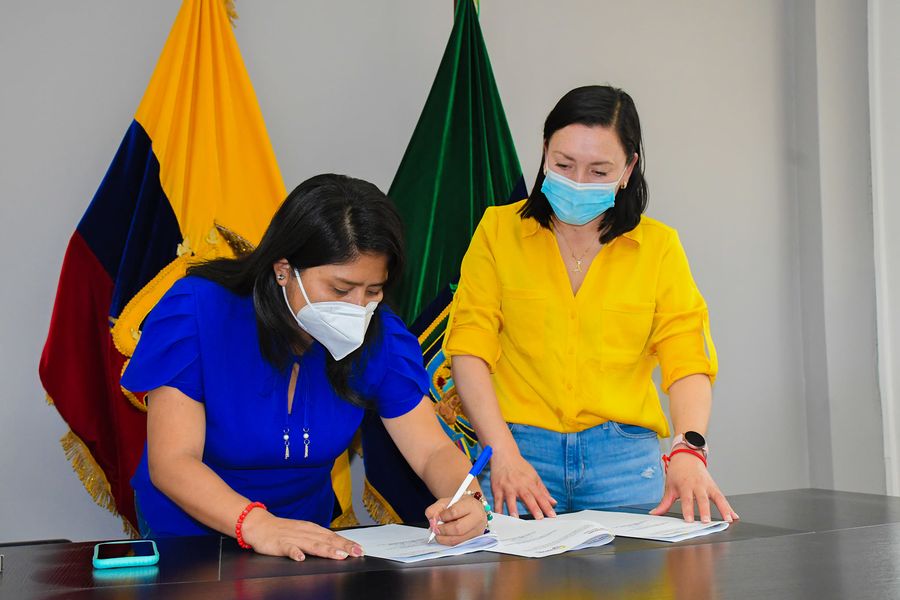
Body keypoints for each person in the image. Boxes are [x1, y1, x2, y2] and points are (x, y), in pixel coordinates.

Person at [122, 174, 490, 561]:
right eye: (340, 289)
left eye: (373, 291)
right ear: (284, 269)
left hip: (305, 543)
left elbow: (432, 450)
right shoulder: (201, 311)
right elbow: (173, 461)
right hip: (191, 538)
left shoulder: (381, 337)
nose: (357, 308)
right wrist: (258, 525)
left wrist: (466, 499)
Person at [443, 85, 739, 525]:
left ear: (628, 169)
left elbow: (687, 360)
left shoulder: (658, 248)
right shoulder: (497, 232)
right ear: (544, 152)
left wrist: (688, 448)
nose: (578, 183)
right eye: (563, 165)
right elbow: (469, 349)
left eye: (599, 171)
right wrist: (501, 451)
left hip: (624, 459)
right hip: (516, 453)